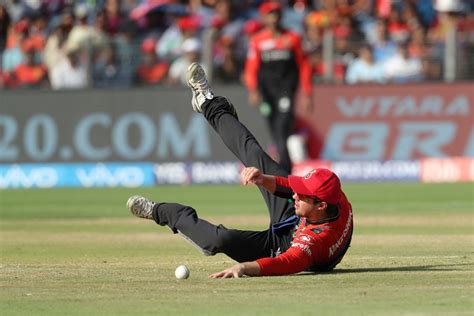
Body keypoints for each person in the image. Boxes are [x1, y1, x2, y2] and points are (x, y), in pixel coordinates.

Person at [127, 63, 353, 278]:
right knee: (256, 157)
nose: (295, 194)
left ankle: (161, 212)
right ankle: (208, 102)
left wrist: (244, 268)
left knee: (222, 239)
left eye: (301, 194)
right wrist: (263, 179)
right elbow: (293, 190)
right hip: (301, 219)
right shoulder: (333, 197)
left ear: (321, 205)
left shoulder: (315, 242)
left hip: (281, 246)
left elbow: (287, 263)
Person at [244, 1, 313, 173]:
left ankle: (285, 169)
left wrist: (307, 92)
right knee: (274, 129)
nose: (274, 18)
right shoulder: (258, 41)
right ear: (264, 18)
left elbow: (304, 66)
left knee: (282, 127)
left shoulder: (292, 38)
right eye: (270, 14)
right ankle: (283, 169)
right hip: (267, 94)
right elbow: (251, 68)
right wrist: (253, 90)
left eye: (276, 14)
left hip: (286, 91)